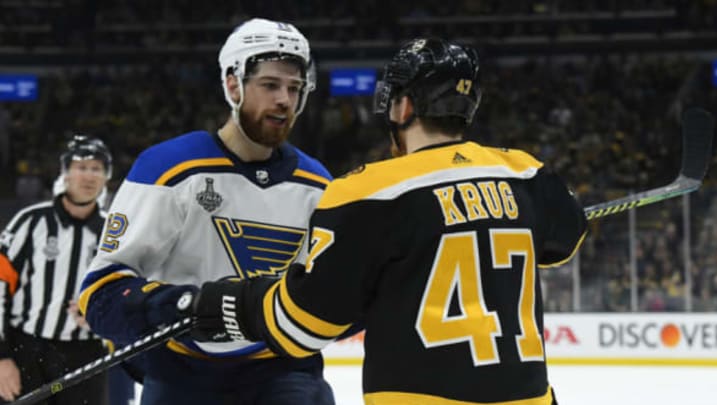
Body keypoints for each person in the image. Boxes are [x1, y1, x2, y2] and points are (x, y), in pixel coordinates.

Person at [190, 38, 588, 404]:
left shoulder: (369, 193)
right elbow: (564, 240)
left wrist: (234, 303)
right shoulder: (525, 174)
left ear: (403, 106)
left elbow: (302, 327)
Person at [78, 18, 335, 405]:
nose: (285, 99)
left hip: (283, 370)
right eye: (270, 85)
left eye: (294, 88)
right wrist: (186, 306)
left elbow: (330, 294)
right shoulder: (168, 169)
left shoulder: (318, 184)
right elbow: (100, 298)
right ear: (233, 84)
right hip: (183, 375)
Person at [0, 135, 112, 404]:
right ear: (65, 173)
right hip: (24, 349)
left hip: (86, 354)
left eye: (97, 168)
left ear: (106, 177)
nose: (89, 175)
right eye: (81, 167)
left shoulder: (114, 231)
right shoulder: (29, 222)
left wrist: (103, 317)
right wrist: (1, 356)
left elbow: (129, 291)